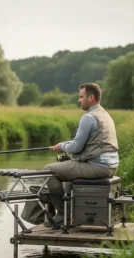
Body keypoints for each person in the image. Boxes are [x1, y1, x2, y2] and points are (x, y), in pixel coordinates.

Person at [43, 83, 119, 227]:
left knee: (49, 170)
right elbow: (89, 142)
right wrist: (66, 143)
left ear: (91, 97)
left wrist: (62, 147)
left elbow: (77, 147)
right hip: (111, 165)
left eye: (81, 97)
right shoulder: (104, 114)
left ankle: (63, 215)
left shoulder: (88, 117)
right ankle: (72, 214)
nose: (79, 100)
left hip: (97, 166)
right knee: (67, 171)